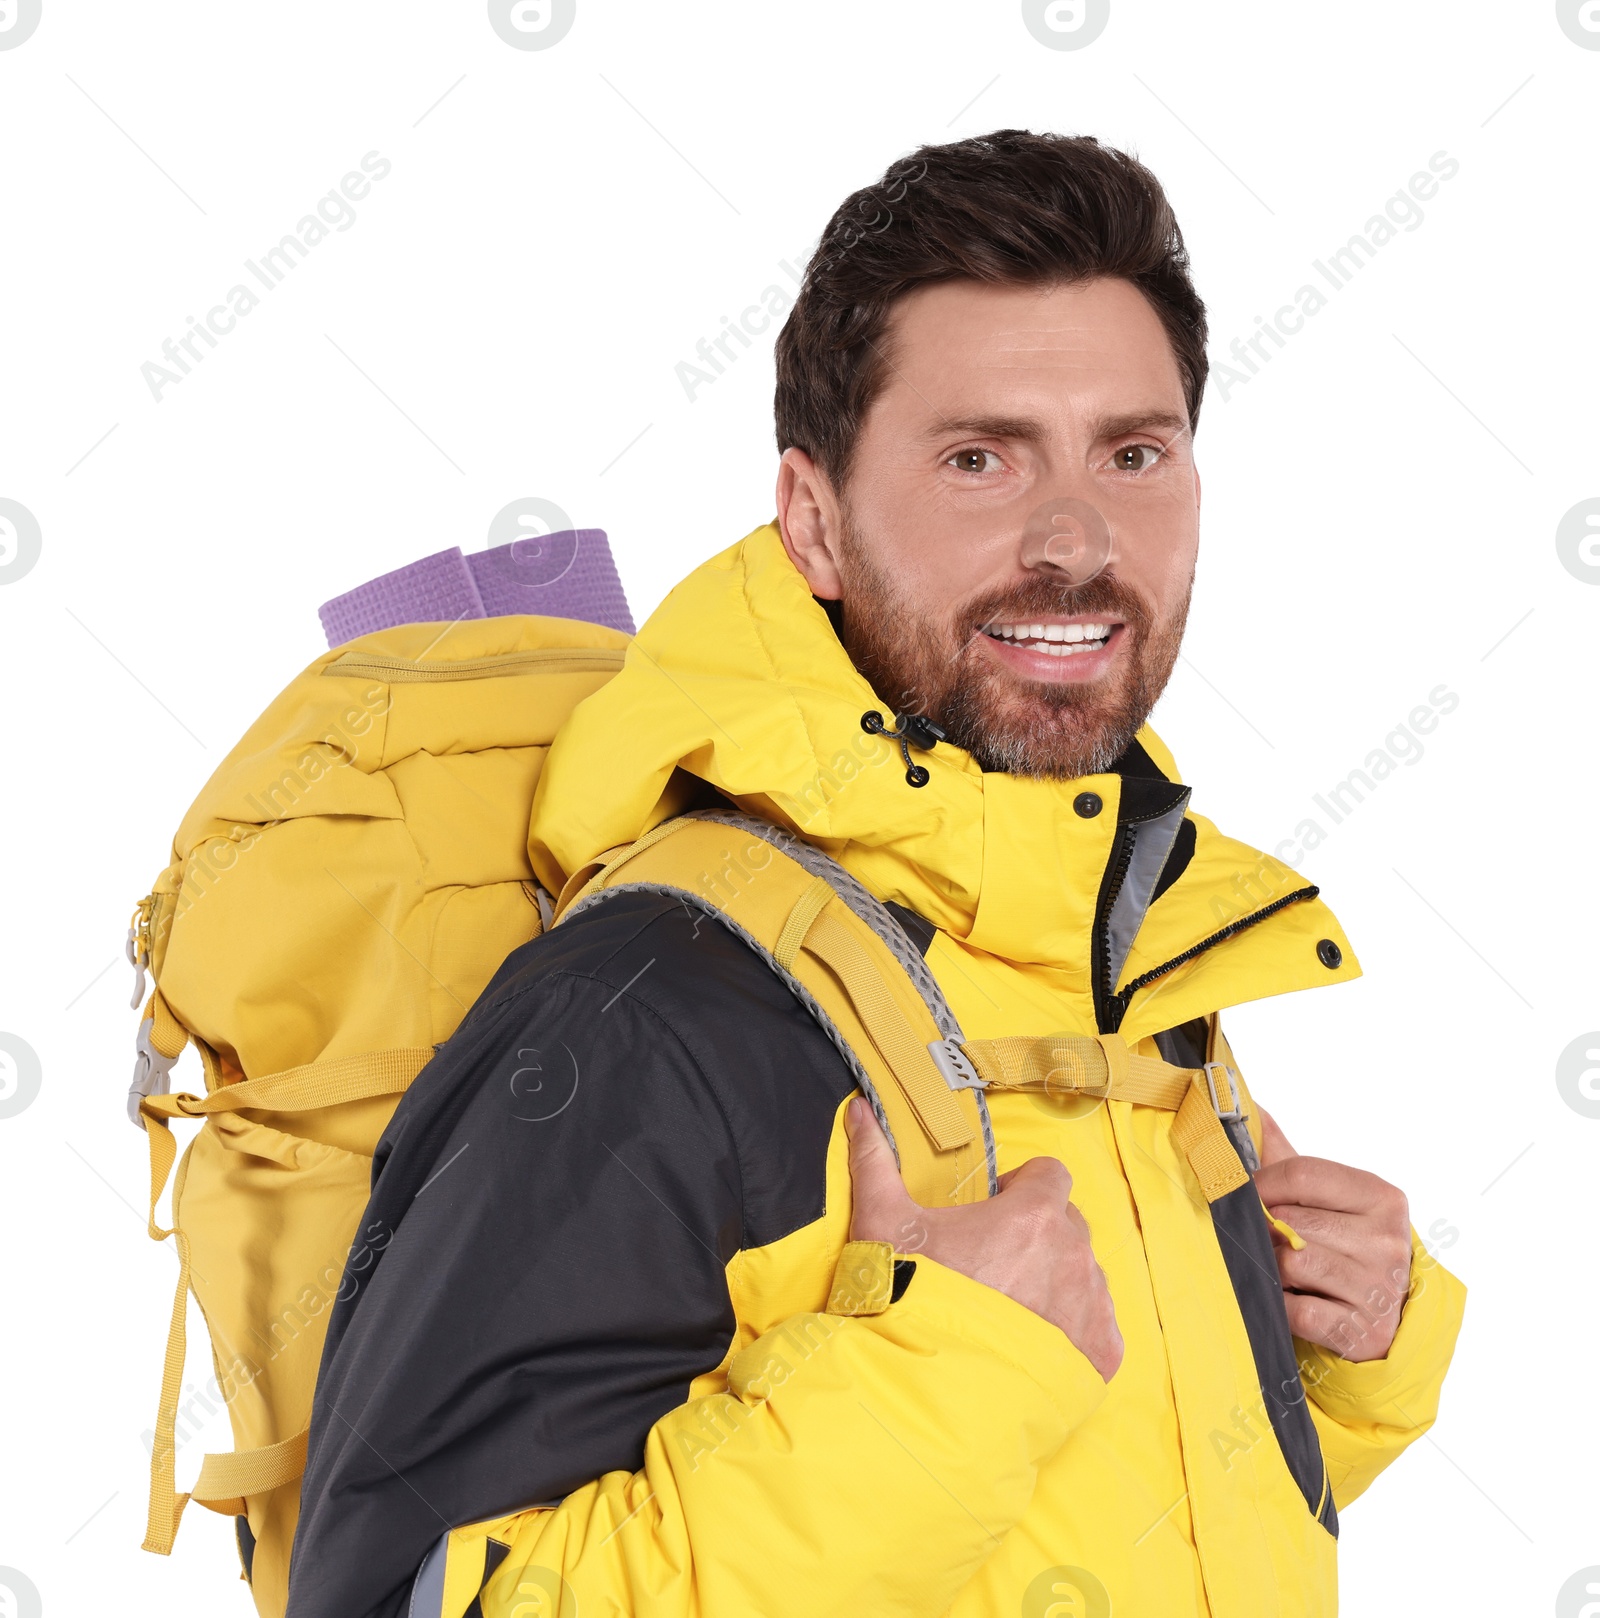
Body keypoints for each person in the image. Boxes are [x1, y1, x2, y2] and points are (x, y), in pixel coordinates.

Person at [286, 129, 1464, 1618]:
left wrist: (1325, 1371)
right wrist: (949, 1370)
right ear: (815, 520)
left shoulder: (1129, 963)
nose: (1077, 540)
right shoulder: (651, 1010)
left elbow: (1027, 1527)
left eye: (1135, 451)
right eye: (980, 457)